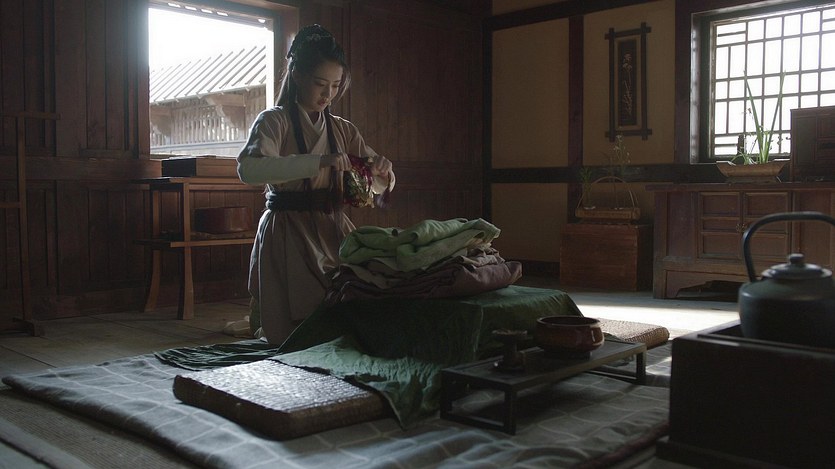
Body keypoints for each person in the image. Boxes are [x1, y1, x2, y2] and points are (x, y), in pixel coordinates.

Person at [237, 24, 395, 344]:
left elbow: (375, 185)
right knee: (297, 327)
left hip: (332, 226)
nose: (328, 94)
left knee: (359, 299)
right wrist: (318, 162)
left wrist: (382, 172)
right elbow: (249, 169)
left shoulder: (343, 129)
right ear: (297, 75)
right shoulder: (274, 120)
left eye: (335, 86)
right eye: (320, 84)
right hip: (288, 229)